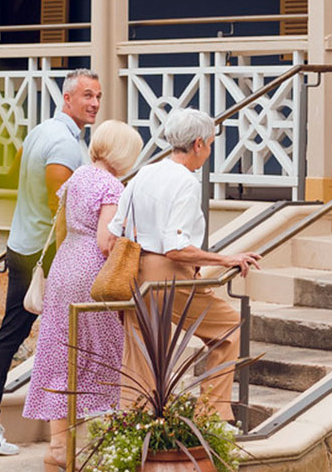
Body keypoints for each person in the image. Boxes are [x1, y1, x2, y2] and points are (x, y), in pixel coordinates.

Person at [0, 68, 103, 455]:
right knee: (27, 333)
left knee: (18, 331)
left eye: (98, 97)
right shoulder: (64, 145)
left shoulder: (41, 131)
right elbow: (67, 210)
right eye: (86, 96)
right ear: (67, 99)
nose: (93, 103)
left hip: (22, 244)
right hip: (42, 254)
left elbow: (14, 176)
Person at [107, 107, 260, 423]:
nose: (210, 151)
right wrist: (225, 259)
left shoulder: (146, 172)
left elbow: (114, 231)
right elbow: (175, 247)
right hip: (166, 274)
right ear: (199, 144)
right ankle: (211, 415)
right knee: (229, 328)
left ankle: (134, 426)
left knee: (140, 353)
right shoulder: (185, 182)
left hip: (134, 271)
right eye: (211, 144)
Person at [21, 119, 142, 472]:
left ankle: (58, 449)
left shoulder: (78, 176)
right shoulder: (112, 186)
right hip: (91, 269)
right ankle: (92, 445)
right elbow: (106, 240)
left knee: (62, 351)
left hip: (64, 264)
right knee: (103, 351)